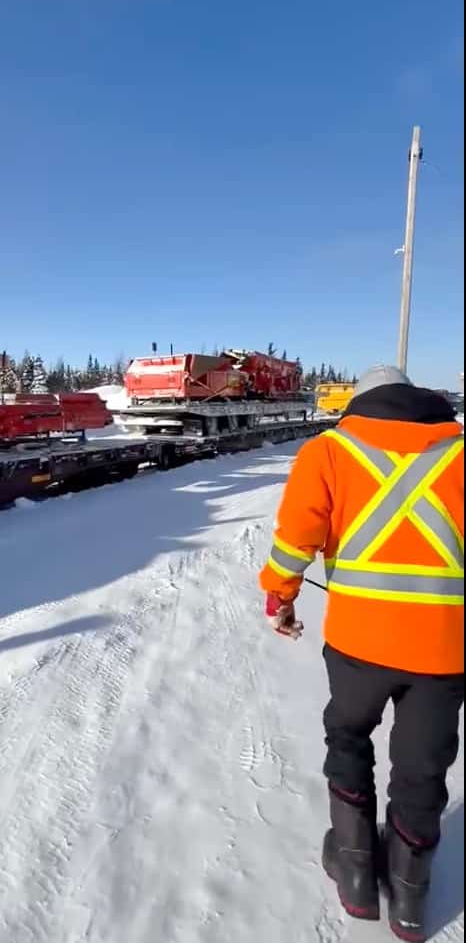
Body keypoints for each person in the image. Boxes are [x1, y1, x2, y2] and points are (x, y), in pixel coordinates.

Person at [259, 365, 464, 943]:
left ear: (363, 402)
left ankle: (353, 870)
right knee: (422, 766)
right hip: (445, 649)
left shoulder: (329, 450)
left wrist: (280, 598)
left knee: (348, 737)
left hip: (357, 643)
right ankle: (410, 900)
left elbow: (296, 538)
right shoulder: (459, 452)